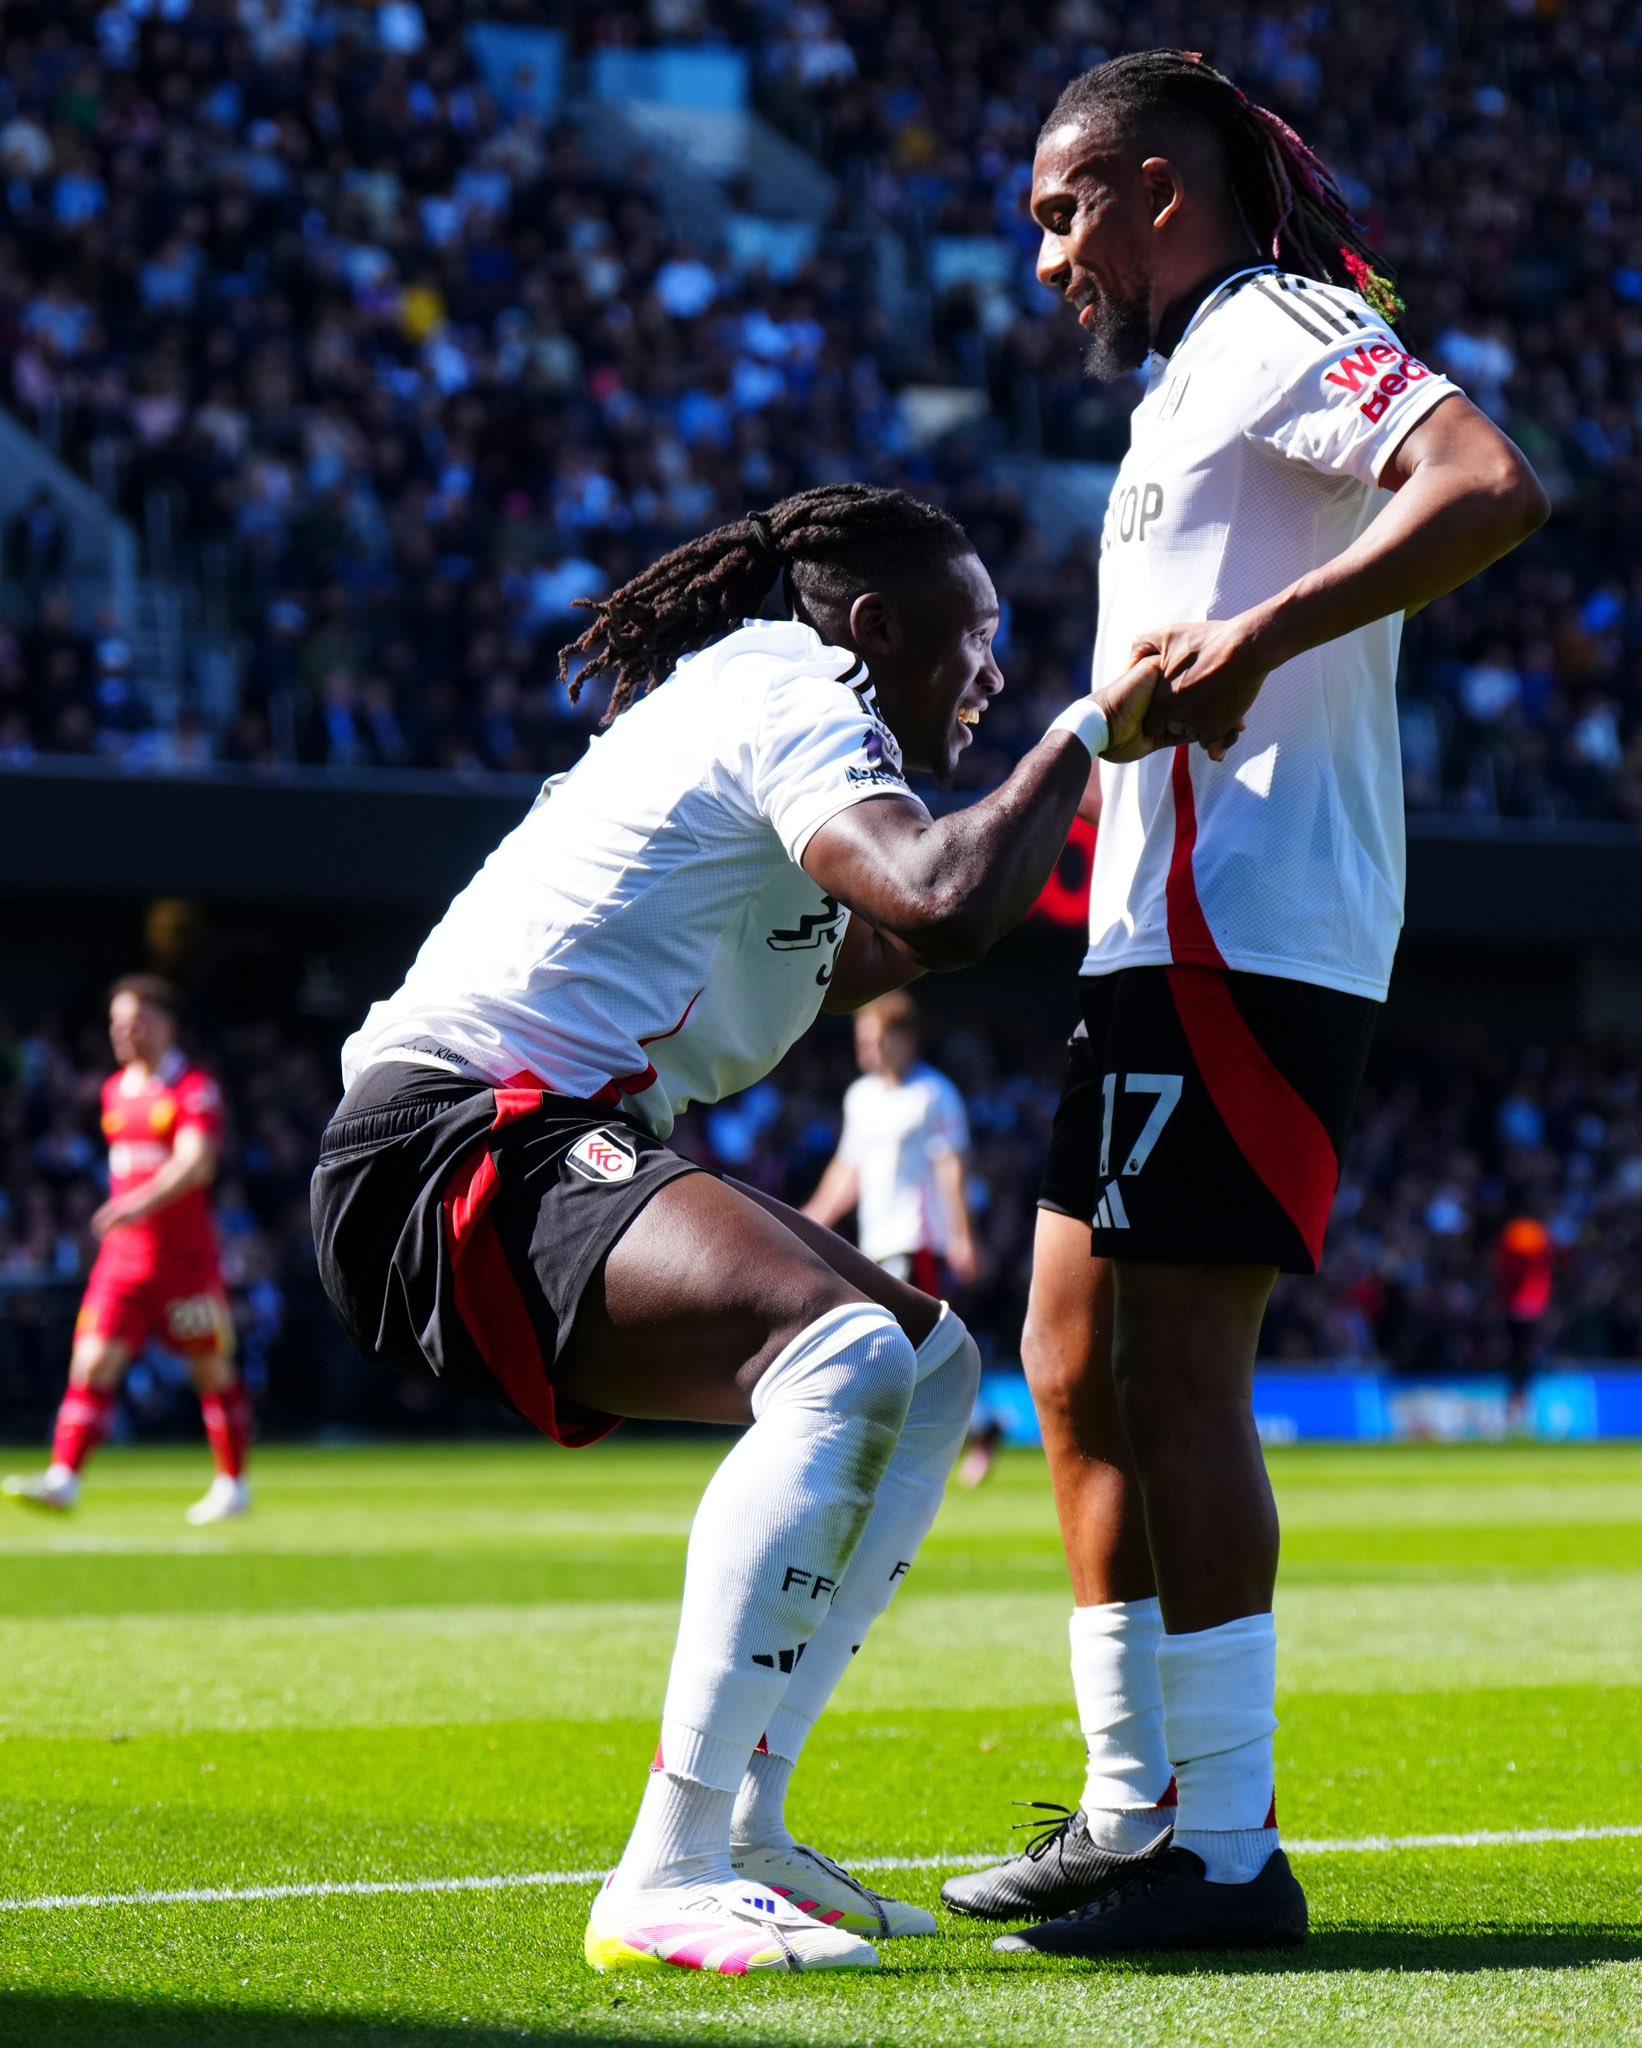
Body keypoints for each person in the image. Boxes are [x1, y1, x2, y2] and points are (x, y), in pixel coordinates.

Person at [309, 483, 1166, 1977]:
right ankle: (668, 1864)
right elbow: (940, 897)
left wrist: (1107, 819)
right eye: (975, 641)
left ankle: (749, 1825)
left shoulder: (786, 742)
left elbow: (892, 934)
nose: (986, 674)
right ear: (877, 631)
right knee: (832, 1351)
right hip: (444, 1146)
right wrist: (1082, 734)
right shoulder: (800, 687)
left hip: (531, 1138)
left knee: (932, 1364)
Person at [944, 51, 1547, 1957]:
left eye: (1060, 211)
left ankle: (1227, 1847)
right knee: (1064, 1356)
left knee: (1177, 1364)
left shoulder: (1282, 318)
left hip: (1253, 924)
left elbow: (1487, 482)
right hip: (1149, 931)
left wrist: (1252, 640)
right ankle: (1134, 1805)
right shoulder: (1178, 384)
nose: (1043, 255)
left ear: (1148, 190)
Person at [4, 976, 251, 1524]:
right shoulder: (116, 1090)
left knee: (209, 1368)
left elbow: (198, 1163)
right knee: (91, 1363)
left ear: (165, 1024)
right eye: (117, 1022)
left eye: (134, 1021)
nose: (122, 1032)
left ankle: (233, 1485)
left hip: (183, 1261)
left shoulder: (192, 1088)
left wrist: (137, 1203)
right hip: (124, 1261)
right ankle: (64, 1479)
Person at [802, 990, 978, 1298]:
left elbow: (950, 1168)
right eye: (863, 1040)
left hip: (917, 1243)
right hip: (874, 1246)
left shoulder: (935, 1093)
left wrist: (960, 1237)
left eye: (878, 1039)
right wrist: (809, 1222)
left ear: (906, 1038)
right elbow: (848, 1168)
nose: (868, 1049)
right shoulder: (860, 1096)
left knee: (915, 1339)